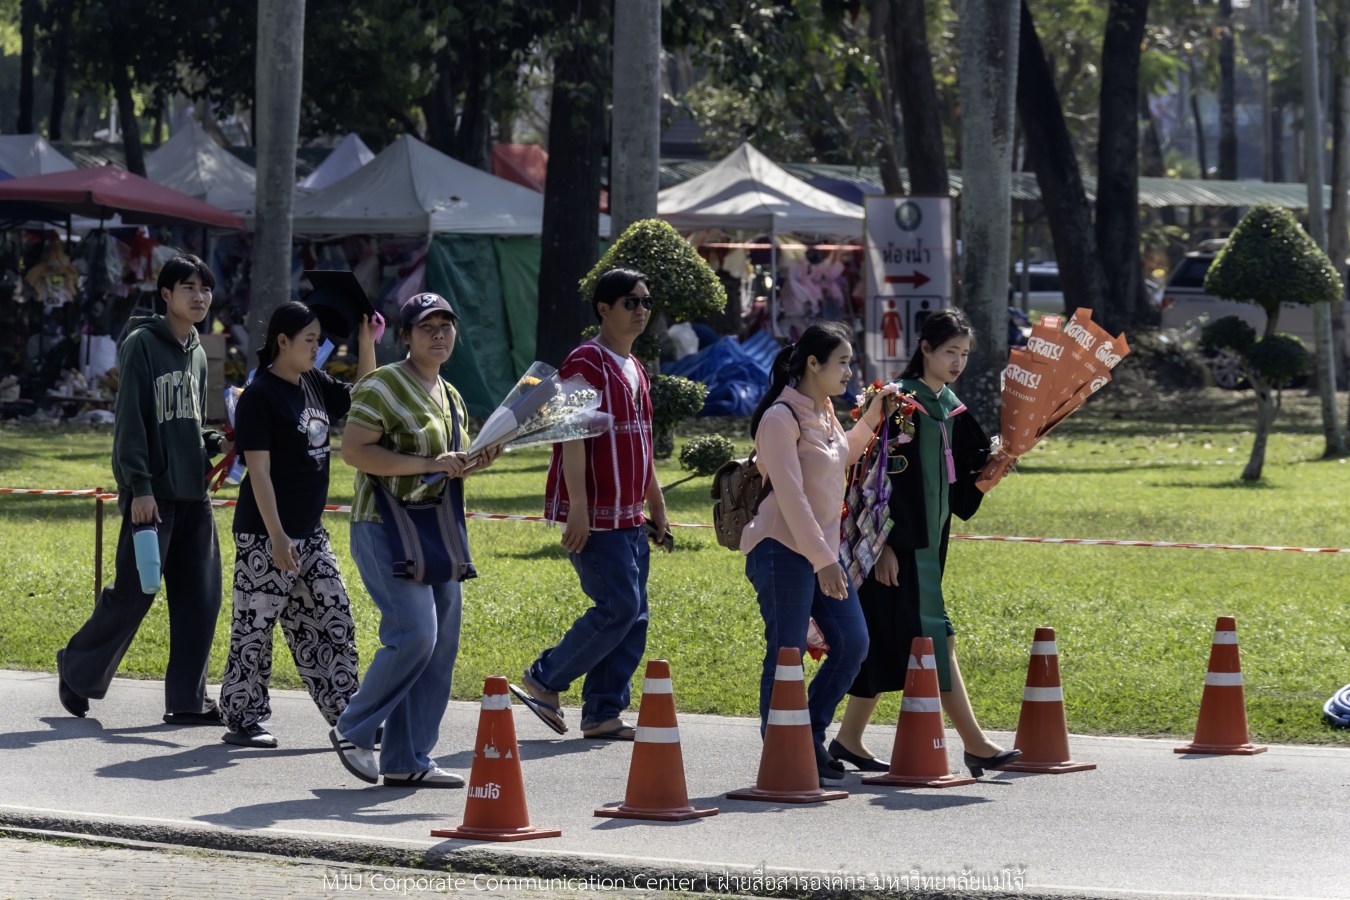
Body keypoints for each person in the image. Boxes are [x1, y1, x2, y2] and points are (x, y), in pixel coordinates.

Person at [830, 308, 1021, 778]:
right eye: (950, 352)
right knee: (938, 638)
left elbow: (962, 491)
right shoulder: (898, 405)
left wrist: (993, 472)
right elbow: (872, 483)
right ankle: (976, 745)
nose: (958, 361)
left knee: (879, 641)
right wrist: (884, 546)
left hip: (932, 549)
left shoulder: (951, 409)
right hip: (897, 549)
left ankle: (848, 740)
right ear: (926, 350)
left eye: (964, 354)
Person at [328, 292, 500, 787]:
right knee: (414, 635)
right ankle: (353, 728)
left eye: (447, 325)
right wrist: (430, 463)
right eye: (427, 326)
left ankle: (408, 759)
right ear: (404, 336)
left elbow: (449, 463)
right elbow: (356, 452)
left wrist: (474, 459)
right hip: (384, 526)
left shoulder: (452, 394)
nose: (439, 334)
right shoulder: (382, 384)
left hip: (437, 529)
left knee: (441, 643)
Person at [56, 254, 228, 724]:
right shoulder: (141, 345)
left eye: (205, 288)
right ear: (166, 294)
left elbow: (188, 424)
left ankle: (188, 701)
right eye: (187, 287)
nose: (199, 296)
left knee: (202, 597)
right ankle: (76, 667)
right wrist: (139, 486)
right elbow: (131, 424)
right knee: (135, 592)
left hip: (194, 495)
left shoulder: (197, 349)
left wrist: (217, 441)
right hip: (151, 496)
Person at [511, 268, 668, 741]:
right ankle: (544, 679)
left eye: (645, 302)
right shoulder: (586, 360)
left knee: (634, 613)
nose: (640, 310)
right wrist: (577, 507)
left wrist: (656, 503)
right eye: (630, 302)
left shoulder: (635, 365)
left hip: (629, 512)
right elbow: (572, 433)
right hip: (596, 514)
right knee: (618, 606)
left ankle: (602, 712)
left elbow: (642, 443)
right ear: (604, 308)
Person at [740, 321, 896, 783]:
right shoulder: (778, 418)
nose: (850, 371)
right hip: (780, 548)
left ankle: (808, 733)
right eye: (843, 362)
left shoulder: (824, 412)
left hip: (821, 552)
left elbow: (839, 454)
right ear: (813, 363)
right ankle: (785, 750)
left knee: (854, 643)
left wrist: (871, 418)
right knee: (786, 651)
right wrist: (824, 560)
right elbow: (790, 495)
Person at [216, 301, 376, 748]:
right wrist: (277, 537)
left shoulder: (314, 383)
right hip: (266, 533)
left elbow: (364, 398)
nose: (317, 347)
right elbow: (258, 473)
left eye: (318, 339)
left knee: (333, 616)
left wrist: (366, 344)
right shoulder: (261, 397)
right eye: (309, 339)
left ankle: (350, 715)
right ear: (282, 342)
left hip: (310, 531)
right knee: (256, 625)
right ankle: (243, 717)